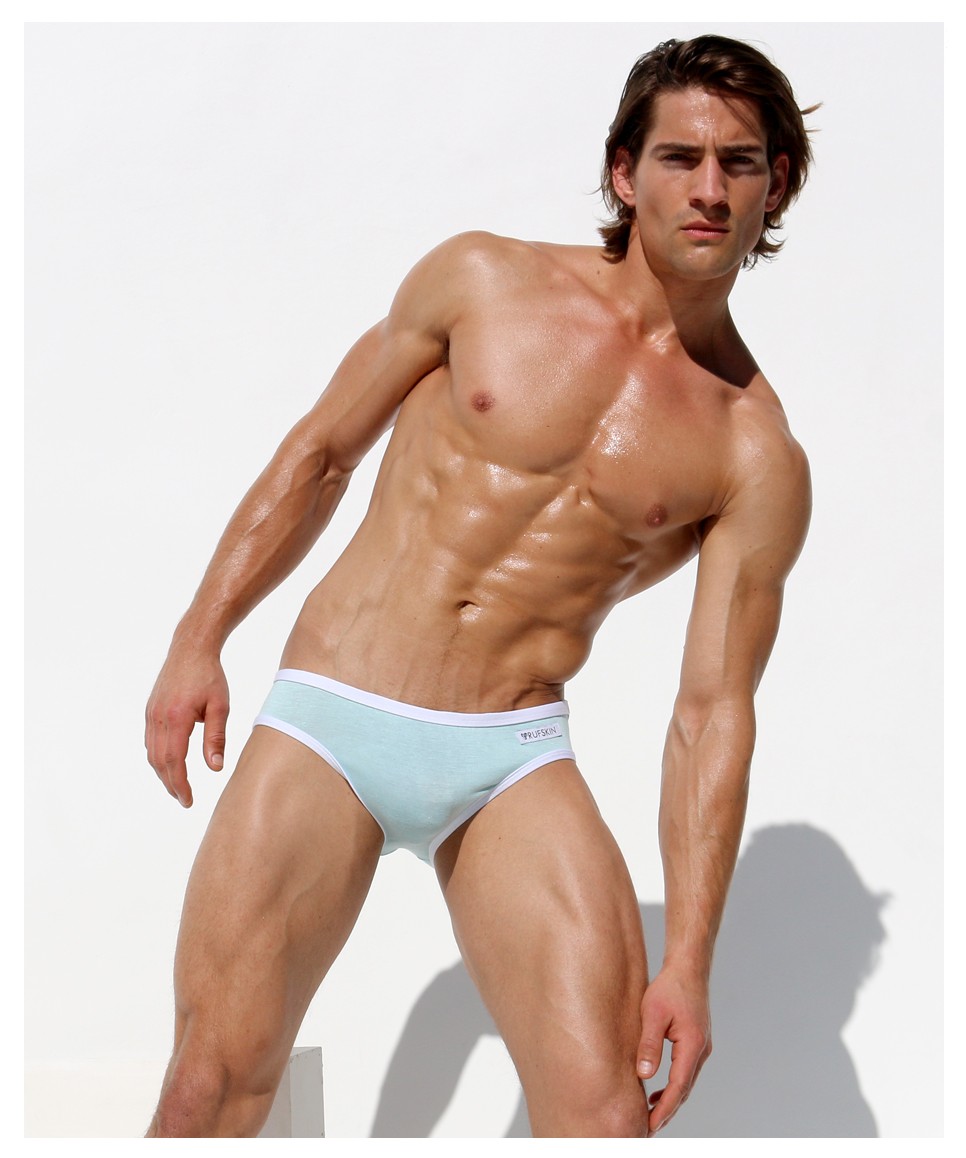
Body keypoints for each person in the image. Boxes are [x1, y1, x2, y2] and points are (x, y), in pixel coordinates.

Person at [144, 34, 815, 1138]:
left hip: (509, 754)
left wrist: (690, 963)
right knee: (211, 1087)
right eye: (679, 157)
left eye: (739, 162)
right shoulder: (483, 279)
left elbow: (712, 710)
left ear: (774, 184)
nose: (708, 188)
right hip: (336, 711)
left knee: (605, 1115)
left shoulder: (755, 450)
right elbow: (321, 453)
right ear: (624, 172)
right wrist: (198, 637)